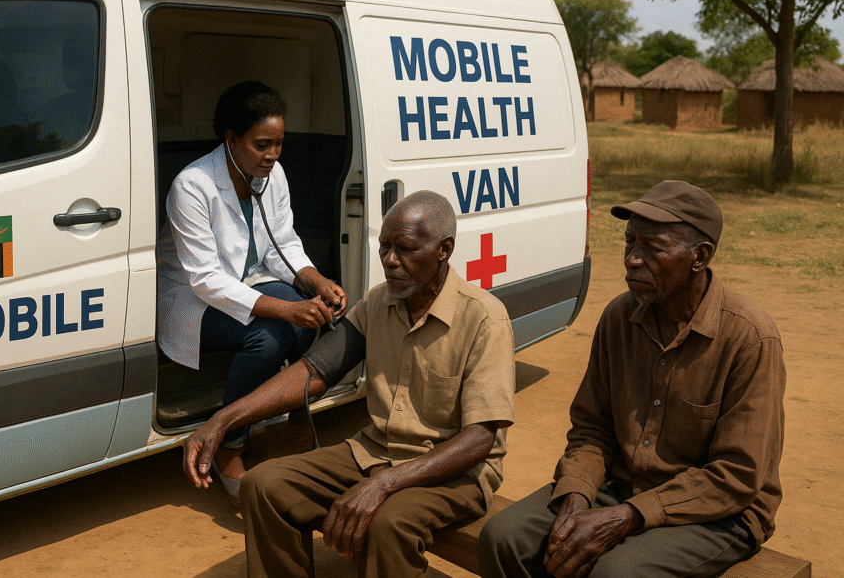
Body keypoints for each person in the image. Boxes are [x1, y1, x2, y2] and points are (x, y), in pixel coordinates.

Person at [184, 190, 515, 578]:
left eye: (406, 249)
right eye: (385, 246)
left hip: (452, 471)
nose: (390, 260)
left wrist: (384, 484)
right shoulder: (379, 303)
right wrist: (225, 419)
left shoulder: (484, 319)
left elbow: (479, 440)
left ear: (444, 250)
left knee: (387, 525)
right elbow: (314, 372)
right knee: (264, 485)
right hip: (375, 452)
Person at [479, 180, 786, 578]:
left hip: (718, 512)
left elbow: (737, 476)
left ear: (699, 257)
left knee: (616, 573)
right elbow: (591, 428)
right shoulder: (618, 317)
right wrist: (577, 493)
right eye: (629, 243)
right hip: (621, 485)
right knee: (504, 536)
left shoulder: (750, 338)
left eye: (653, 248)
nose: (633, 259)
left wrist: (628, 516)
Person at [157, 81, 347, 497]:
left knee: (315, 316)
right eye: (262, 145)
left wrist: (318, 282)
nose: (273, 155)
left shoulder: (270, 176)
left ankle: (288, 417)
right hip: (191, 298)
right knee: (268, 337)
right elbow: (206, 279)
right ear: (231, 138)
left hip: (247, 283)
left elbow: (282, 245)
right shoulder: (192, 186)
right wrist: (287, 309)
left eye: (279, 144)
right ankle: (229, 447)